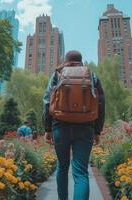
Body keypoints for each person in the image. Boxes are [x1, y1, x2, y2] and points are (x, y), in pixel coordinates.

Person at [43, 50, 105, 200]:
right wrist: (97, 131)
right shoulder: (92, 75)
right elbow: (101, 104)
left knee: (62, 167)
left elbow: (46, 101)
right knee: (81, 172)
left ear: (66, 61)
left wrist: (47, 128)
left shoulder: (58, 74)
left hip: (60, 126)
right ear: (81, 61)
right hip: (86, 127)